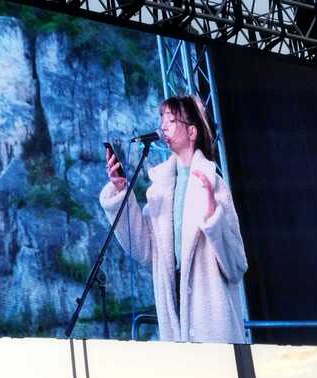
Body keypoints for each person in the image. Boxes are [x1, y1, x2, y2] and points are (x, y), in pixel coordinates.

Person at [99, 95, 248, 343]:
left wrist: (213, 216)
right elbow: (144, 249)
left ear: (192, 132)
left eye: (171, 120)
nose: (163, 126)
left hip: (212, 320)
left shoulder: (214, 185)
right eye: (162, 120)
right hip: (175, 313)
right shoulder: (160, 190)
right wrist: (119, 190)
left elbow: (236, 265)